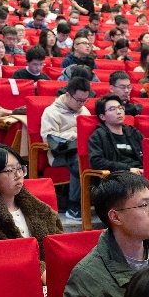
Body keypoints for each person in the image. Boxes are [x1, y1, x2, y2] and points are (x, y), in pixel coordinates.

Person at [0, 145, 64, 277]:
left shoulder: (39, 208)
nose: (18, 175)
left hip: (50, 278)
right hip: (10, 282)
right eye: (9, 171)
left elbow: (59, 245)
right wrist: (41, 271)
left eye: (19, 168)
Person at [41, 76, 92, 220]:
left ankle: (94, 199)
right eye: (79, 100)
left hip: (80, 150)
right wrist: (76, 134)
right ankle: (73, 205)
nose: (82, 104)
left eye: (85, 100)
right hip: (59, 154)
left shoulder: (84, 110)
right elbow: (48, 138)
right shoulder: (51, 112)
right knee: (79, 161)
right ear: (68, 95)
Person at [88, 95, 144, 173]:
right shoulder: (98, 136)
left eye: (120, 108)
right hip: (117, 175)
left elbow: (148, 154)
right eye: (112, 109)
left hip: (140, 172)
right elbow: (96, 162)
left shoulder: (134, 133)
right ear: (102, 117)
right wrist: (127, 169)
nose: (119, 112)